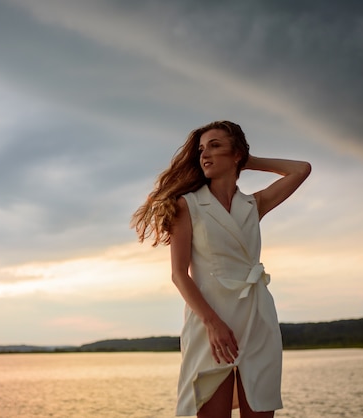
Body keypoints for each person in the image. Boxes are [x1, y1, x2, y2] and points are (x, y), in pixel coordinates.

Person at [131, 121, 311, 417]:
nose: (205, 154)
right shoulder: (186, 205)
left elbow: (301, 169)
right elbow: (179, 274)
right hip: (209, 322)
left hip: (257, 317)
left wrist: (248, 161)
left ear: (235, 153)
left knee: (261, 408)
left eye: (215, 146)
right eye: (202, 149)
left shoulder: (253, 205)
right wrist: (213, 324)